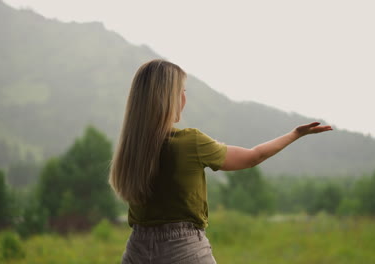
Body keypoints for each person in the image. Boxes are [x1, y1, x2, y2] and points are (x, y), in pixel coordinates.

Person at [109, 59, 333, 264]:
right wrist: (294, 134)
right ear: (166, 98)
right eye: (181, 91)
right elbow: (253, 156)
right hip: (183, 251)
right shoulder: (190, 142)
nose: (185, 98)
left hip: (136, 251)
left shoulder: (130, 149)